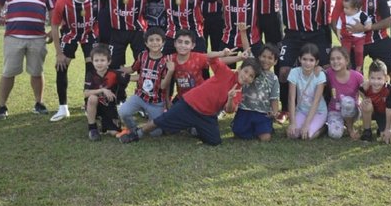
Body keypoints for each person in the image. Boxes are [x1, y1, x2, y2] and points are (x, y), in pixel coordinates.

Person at [263, 0, 344, 122]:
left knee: (327, 69)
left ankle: (330, 107)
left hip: (317, 34)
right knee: (283, 71)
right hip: (292, 35)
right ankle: (285, 108)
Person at [119, 57, 261, 145]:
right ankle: (138, 133)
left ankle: (192, 127)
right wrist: (236, 57)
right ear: (240, 69)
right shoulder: (225, 72)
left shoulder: (239, 92)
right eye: (246, 71)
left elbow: (229, 110)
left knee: (215, 141)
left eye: (251, 76)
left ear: (252, 80)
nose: (247, 76)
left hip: (206, 115)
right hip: (189, 104)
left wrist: (230, 98)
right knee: (162, 120)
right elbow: (211, 59)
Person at [331, 0, 391, 123]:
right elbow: (334, 20)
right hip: (353, 42)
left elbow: (387, 21)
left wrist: (366, 28)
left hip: (377, 39)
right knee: (350, 76)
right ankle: (350, 112)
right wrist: (344, 38)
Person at [0, 0, 55, 120]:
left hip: (37, 37)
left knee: (37, 72)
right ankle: (2, 106)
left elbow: (54, 10)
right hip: (13, 37)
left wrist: (55, 31)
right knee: (8, 72)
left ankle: (39, 103)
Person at [50, 0, 100, 122]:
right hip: (70, 34)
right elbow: (54, 26)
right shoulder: (63, 1)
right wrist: (58, 53)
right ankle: (63, 108)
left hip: (89, 34)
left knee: (92, 68)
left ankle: (88, 105)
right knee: (61, 66)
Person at [226, 23, 280, 142]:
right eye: (263, 56)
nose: (266, 60)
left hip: (262, 112)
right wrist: (243, 32)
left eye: (270, 58)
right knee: (239, 133)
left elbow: (274, 98)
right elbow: (247, 48)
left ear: (275, 62)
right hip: (245, 109)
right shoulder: (254, 68)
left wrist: (275, 112)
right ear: (258, 57)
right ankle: (240, 123)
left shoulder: (274, 78)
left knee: (265, 138)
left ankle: (265, 127)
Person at [118, 27, 170, 137]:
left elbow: (163, 85)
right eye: (151, 40)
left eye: (157, 40)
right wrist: (118, 70)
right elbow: (132, 69)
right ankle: (133, 129)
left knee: (156, 133)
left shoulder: (165, 61)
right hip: (140, 97)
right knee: (123, 111)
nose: (154, 43)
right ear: (146, 43)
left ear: (163, 42)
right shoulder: (142, 55)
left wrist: (167, 102)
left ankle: (157, 123)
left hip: (156, 102)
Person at [286, 44, 327, 140]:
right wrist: (292, 123)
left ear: (317, 62)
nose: (307, 63)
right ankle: (301, 123)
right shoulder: (294, 73)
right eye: (304, 59)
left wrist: (306, 124)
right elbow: (291, 99)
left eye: (311, 60)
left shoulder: (320, 75)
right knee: (292, 135)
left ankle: (324, 128)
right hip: (301, 110)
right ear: (299, 59)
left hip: (318, 111)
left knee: (307, 135)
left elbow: (316, 102)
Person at [84, 44, 122, 141]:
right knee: (93, 97)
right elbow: (85, 93)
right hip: (95, 104)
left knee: (114, 132)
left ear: (108, 62)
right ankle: (92, 128)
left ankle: (104, 123)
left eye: (102, 60)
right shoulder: (90, 74)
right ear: (92, 62)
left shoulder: (114, 74)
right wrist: (102, 90)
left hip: (109, 106)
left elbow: (130, 78)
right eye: (96, 60)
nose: (99, 63)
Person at [326, 47, 363, 140]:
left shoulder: (357, 76)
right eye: (332, 59)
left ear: (346, 60)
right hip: (335, 111)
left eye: (339, 58)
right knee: (335, 135)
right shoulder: (328, 73)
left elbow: (366, 94)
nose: (335, 61)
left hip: (352, 111)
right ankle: (330, 124)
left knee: (347, 102)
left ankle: (350, 129)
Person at [359, 60, 391, 144]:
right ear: (368, 77)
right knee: (366, 104)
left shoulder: (390, 89)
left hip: (383, 113)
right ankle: (367, 131)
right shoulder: (366, 86)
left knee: (388, 139)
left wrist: (388, 129)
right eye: (372, 78)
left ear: (386, 78)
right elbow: (360, 91)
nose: (375, 82)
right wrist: (364, 98)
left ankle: (381, 127)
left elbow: (389, 110)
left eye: (379, 78)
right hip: (372, 112)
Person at [335, 0, 371, 73]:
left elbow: (368, 22)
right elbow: (338, 26)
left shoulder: (361, 15)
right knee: (345, 52)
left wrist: (366, 26)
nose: (344, 10)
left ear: (355, 9)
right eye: (344, 7)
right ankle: (346, 65)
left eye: (347, 8)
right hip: (346, 38)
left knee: (359, 51)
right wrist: (338, 34)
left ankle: (359, 65)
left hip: (359, 38)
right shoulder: (342, 16)